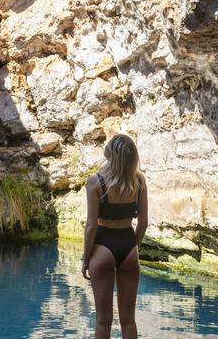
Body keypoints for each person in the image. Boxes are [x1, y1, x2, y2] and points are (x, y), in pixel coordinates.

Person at [81, 134, 148, 339]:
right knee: (129, 320)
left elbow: (91, 226)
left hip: (102, 247)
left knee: (103, 321)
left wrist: (85, 258)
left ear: (112, 154)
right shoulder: (139, 181)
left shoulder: (95, 182)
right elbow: (143, 222)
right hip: (128, 246)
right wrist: (133, 247)